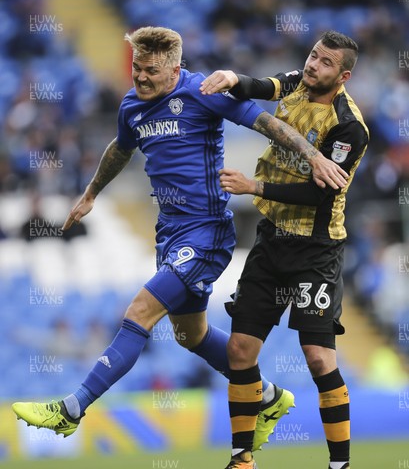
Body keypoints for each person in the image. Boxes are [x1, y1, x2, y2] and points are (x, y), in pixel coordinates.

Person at [12, 27, 347, 446]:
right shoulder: (132, 105)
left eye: (151, 70)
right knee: (191, 335)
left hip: (207, 233)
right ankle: (270, 397)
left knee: (139, 311)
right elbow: (121, 147)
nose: (141, 76)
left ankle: (71, 409)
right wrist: (92, 192)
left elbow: (266, 123)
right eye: (137, 67)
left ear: (174, 69)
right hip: (170, 234)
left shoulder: (202, 92)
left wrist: (314, 156)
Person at [200, 30, 369, 469]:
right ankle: (241, 458)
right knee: (240, 349)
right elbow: (263, 85)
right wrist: (230, 76)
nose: (314, 65)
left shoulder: (348, 125)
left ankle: (340, 464)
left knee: (317, 357)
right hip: (272, 239)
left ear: (343, 74)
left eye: (325, 62)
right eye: (313, 56)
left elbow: (320, 197)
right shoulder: (299, 82)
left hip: (315, 249)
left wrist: (252, 185)